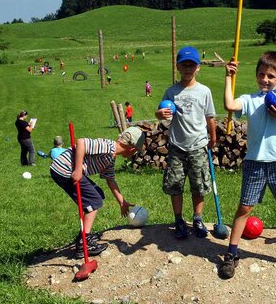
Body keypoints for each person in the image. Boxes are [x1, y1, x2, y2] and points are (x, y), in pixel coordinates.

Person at [219, 52, 276, 279]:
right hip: (254, 163)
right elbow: (229, 104)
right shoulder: (250, 100)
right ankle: (231, 253)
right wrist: (228, 77)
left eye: (271, 76)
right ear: (256, 76)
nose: (265, 79)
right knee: (245, 208)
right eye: (262, 75)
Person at [50, 127, 146, 258]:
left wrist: (122, 202)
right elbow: (81, 143)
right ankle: (84, 243)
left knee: (97, 193)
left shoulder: (110, 159)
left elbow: (110, 180)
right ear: (132, 148)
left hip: (66, 170)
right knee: (94, 201)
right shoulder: (108, 146)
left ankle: (83, 236)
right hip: (65, 170)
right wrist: (78, 169)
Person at [155, 46, 217, 239]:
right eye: (184, 65)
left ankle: (197, 219)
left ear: (198, 67)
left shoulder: (204, 91)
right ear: (178, 67)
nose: (188, 68)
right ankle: (179, 220)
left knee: (199, 185)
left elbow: (210, 117)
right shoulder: (171, 91)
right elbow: (162, 113)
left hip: (198, 145)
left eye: (192, 65)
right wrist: (158, 114)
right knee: (175, 185)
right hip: (177, 146)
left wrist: (212, 136)